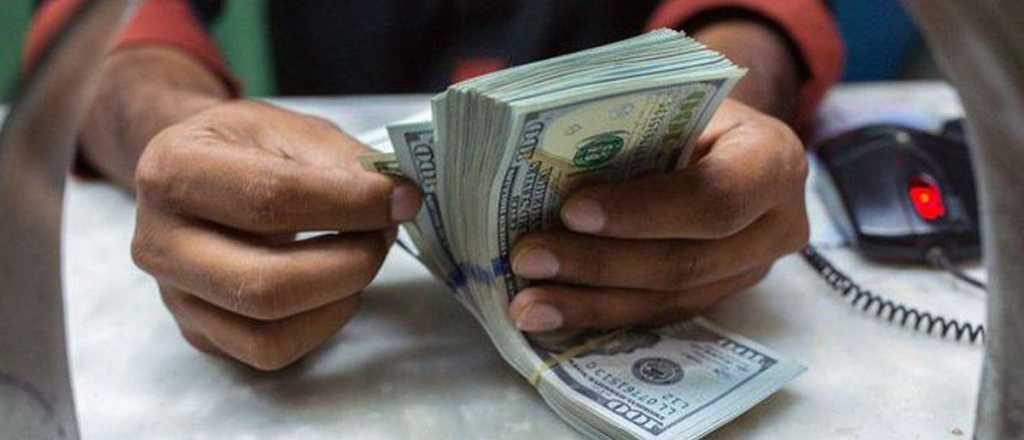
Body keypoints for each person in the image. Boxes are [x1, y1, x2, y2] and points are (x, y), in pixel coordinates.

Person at [25, 0, 843, 371]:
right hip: (341, 266)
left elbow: (760, 10)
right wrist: (172, 125)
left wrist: (721, 101)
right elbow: (108, 22)